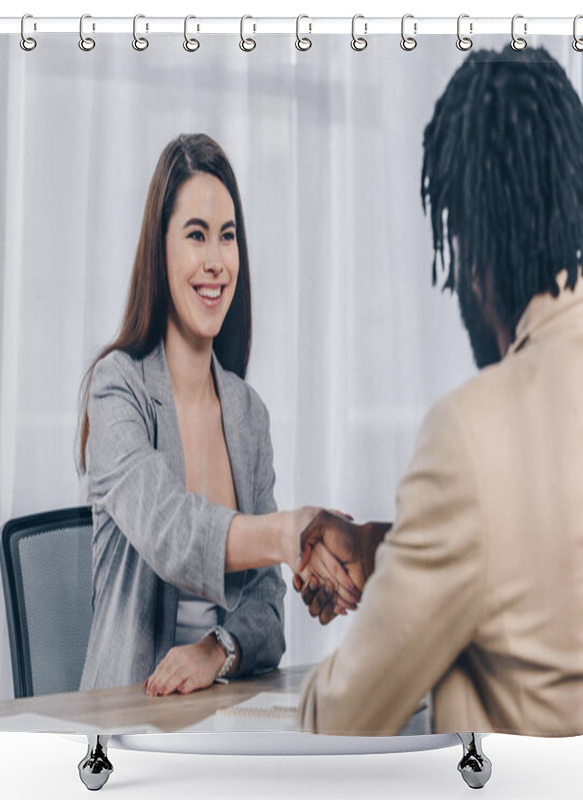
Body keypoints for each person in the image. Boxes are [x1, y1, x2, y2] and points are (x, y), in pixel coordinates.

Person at [295, 47, 583, 737]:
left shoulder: (473, 433)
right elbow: (542, 556)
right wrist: (380, 549)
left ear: (470, 240)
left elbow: (339, 722)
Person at [77, 133, 357, 695]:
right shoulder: (117, 390)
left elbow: (268, 610)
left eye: (227, 238)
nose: (215, 261)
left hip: (223, 713)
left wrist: (218, 650)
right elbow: (171, 531)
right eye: (196, 235)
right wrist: (289, 535)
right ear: (161, 251)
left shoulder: (248, 414)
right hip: (131, 717)